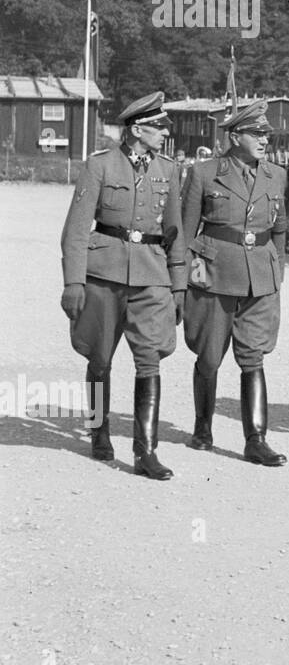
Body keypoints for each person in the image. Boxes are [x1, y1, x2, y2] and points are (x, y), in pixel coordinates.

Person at [59, 92, 187, 479]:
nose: (166, 131)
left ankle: (145, 451)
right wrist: (73, 282)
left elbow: (175, 232)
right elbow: (76, 231)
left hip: (152, 274)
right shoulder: (100, 166)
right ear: (137, 129)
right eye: (159, 125)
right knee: (99, 358)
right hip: (104, 274)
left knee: (149, 358)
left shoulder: (169, 169)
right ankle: (99, 433)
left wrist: (178, 285)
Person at [181, 100, 289, 466]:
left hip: (260, 275)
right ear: (235, 136)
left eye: (267, 135)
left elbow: (280, 229)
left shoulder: (277, 175)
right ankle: (202, 426)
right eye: (257, 134)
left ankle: (255, 439)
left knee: (253, 356)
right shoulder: (204, 173)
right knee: (209, 356)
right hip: (215, 275)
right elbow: (185, 231)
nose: (264, 141)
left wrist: (277, 271)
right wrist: (182, 281)